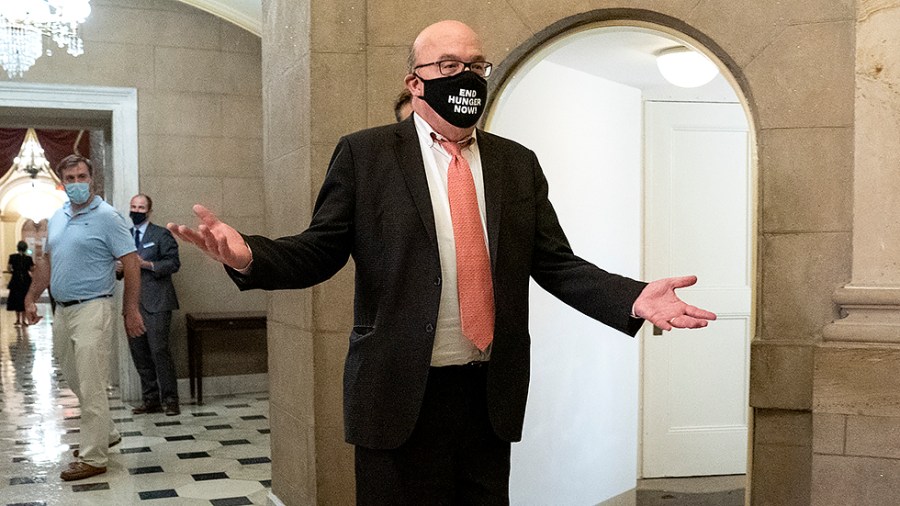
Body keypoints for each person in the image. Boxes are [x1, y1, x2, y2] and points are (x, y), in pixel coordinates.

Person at [168, 20, 716, 504]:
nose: (468, 76)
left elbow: (553, 262)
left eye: (477, 65)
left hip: (487, 395)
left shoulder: (515, 163)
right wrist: (249, 256)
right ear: (417, 81)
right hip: (398, 392)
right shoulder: (367, 154)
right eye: (450, 64)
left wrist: (632, 296)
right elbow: (321, 249)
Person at [24, 154, 145, 482]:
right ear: (63, 183)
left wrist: (129, 309)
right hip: (62, 309)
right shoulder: (58, 216)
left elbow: (131, 263)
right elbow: (47, 262)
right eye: (70, 178)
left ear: (92, 180)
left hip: (94, 307)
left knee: (91, 382)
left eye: (82, 177)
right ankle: (106, 433)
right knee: (75, 378)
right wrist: (31, 297)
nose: (76, 183)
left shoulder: (108, 217)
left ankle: (94, 457)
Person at [120, 193, 181, 416]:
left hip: (157, 303)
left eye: (141, 207)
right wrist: (120, 269)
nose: (136, 211)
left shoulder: (161, 234)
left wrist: (146, 264)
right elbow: (121, 270)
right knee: (140, 354)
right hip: (132, 305)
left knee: (159, 351)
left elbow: (173, 264)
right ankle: (151, 400)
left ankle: (171, 400)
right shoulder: (125, 236)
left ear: (149, 211)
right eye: (133, 207)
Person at [7, 240, 34, 326]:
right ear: (26, 248)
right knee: (24, 300)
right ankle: (23, 320)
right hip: (25, 281)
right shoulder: (28, 258)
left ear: (18, 248)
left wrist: (14, 271)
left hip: (15, 280)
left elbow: (9, 268)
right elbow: (32, 269)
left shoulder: (12, 257)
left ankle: (17, 319)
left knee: (16, 300)